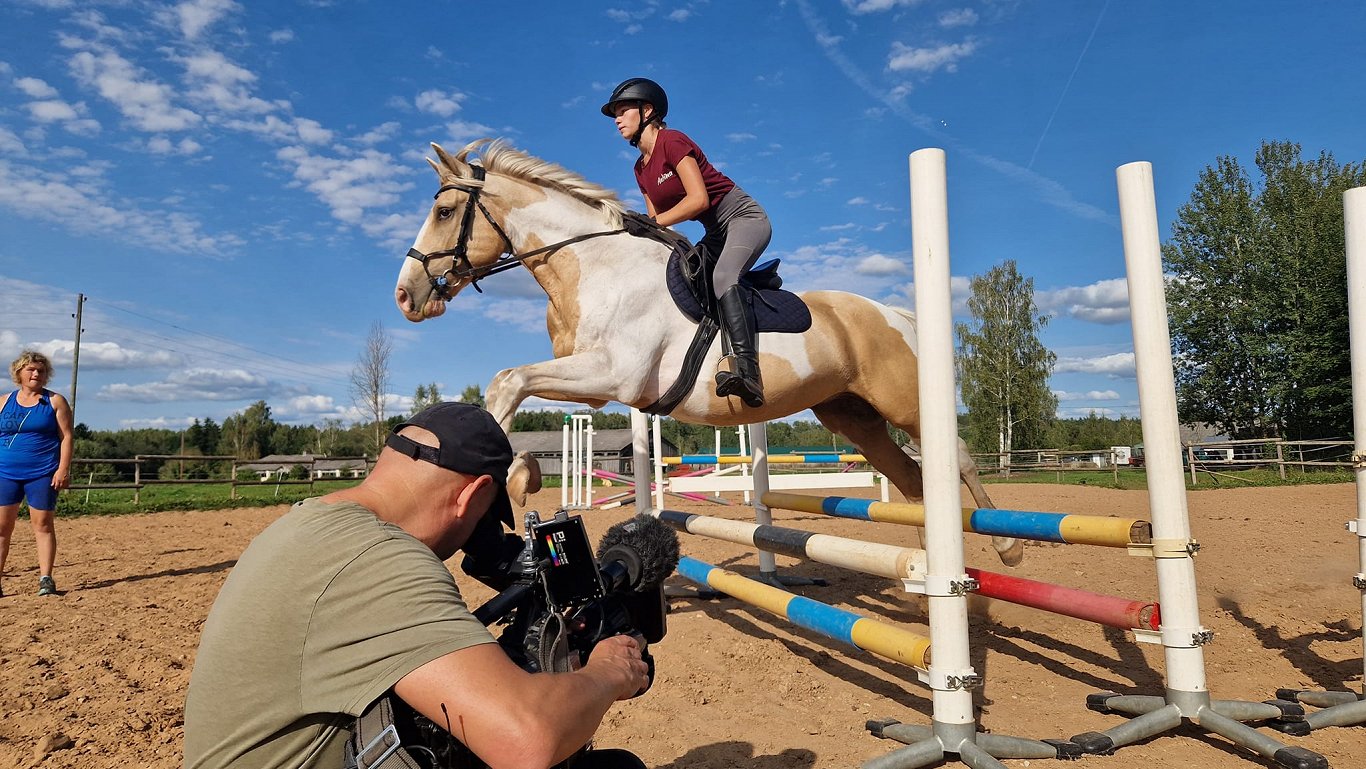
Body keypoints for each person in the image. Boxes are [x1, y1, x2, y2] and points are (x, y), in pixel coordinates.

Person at [183, 402, 649, 769]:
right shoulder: (380, 559)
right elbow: (526, 740)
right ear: (470, 496)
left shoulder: (312, 527)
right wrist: (610, 673)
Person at [602, 77, 771, 408]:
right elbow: (658, 225)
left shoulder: (673, 141)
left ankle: (749, 373)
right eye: (616, 114)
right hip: (715, 233)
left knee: (723, 278)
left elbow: (698, 200)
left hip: (744, 218)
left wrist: (652, 222)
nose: (618, 119)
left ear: (647, 110)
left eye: (623, 111)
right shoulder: (640, 168)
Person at [0, 350, 74, 598]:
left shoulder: (55, 401)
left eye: (41, 371)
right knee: (2, 527)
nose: (36, 374)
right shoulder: (3, 401)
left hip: (42, 472)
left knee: (42, 524)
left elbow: (66, 437)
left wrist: (63, 468)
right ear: (19, 372)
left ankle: (46, 579)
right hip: (5, 473)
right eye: (31, 369)